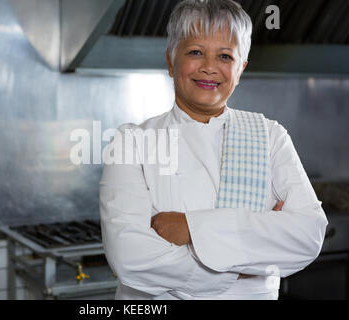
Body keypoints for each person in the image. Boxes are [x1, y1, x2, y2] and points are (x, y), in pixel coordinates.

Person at [99, 0, 328, 300]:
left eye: (224, 56)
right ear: (170, 60)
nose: (209, 67)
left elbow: (307, 235)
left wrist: (191, 229)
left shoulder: (270, 137)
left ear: (241, 68)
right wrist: (242, 263)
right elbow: (128, 256)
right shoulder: (131, 142)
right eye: (195, 52)